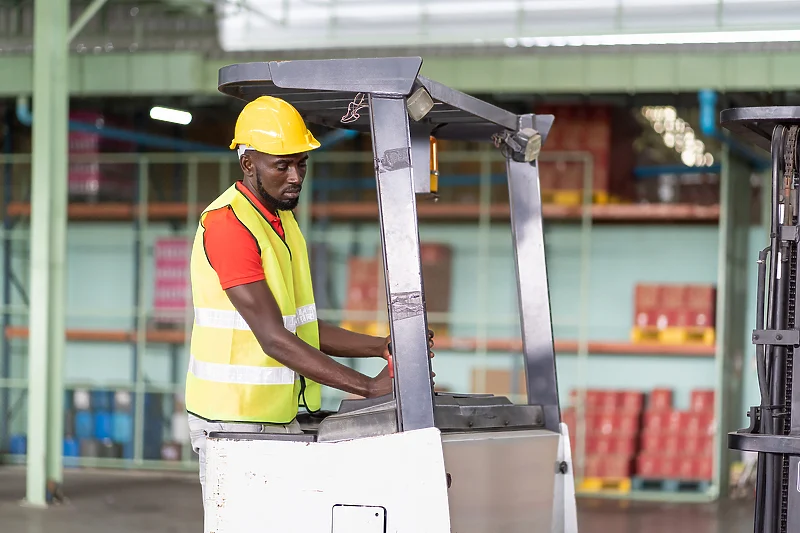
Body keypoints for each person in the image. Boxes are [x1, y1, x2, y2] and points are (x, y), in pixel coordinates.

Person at [184, 95, 434, 509]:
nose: (295, 176)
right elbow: (273, 338)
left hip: (278, 417)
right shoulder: (229, 226)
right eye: (281, 165)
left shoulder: (281, 222)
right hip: (233, 422)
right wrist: (368, 386)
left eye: (301, 164)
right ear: (248, 164)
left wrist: (379, 347)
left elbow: (302, 330)